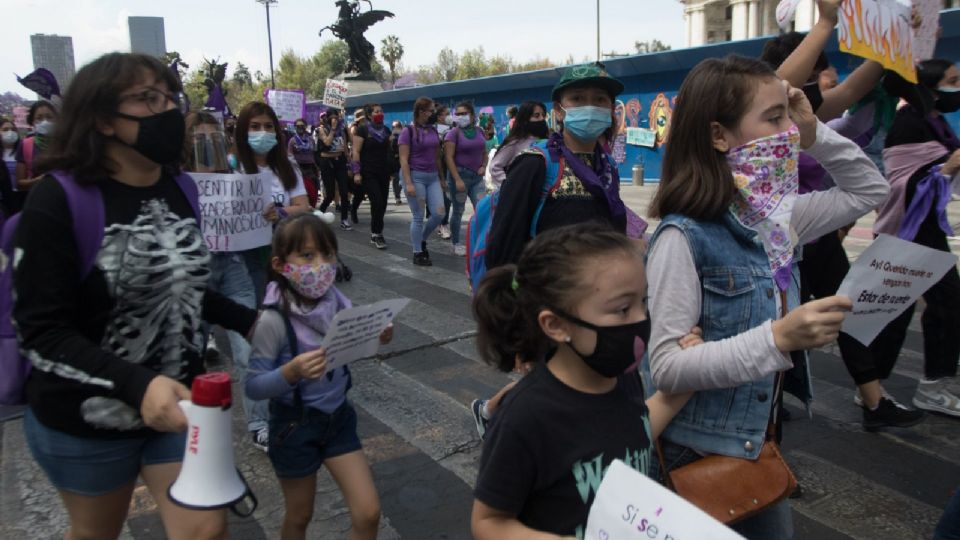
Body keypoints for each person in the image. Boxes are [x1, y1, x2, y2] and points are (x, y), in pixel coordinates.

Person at [13, 52, 259, 540]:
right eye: (148, 99)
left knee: (204, 530)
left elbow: (182, 285)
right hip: (88, 418)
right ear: (102, 118)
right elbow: (41, 332)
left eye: (171, 97)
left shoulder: (181, 187)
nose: (168, 110)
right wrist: (137, 385)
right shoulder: (57, 200)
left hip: (179, 406)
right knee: (95, 533)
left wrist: (250, 320)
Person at [645, 55, 888, 539]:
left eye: (788, 116)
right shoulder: (682, 237)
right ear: (719, 136)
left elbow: (870, 189)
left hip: (759, 443)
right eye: (774, 118)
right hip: (696, 455)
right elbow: (667, 368)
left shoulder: (780, 221)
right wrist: (777, 338)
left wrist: (814, 128)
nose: (788, 132)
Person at [470, 223, 698, 539]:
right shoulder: (525, 417)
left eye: (643, 302)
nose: (641, 319)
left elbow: (637, 430)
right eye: (622, 309)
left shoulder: (624, 378)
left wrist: (687, 377)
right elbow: (488, 522)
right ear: (556, 325)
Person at [761, 2, 924, 430]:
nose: (823, 77)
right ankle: (765, 412)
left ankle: (873, 402)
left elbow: (852, 91)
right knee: (774, 326)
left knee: (843, 312)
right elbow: (773, 87)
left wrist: (895, 40)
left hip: (815, 234)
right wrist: (826, 22)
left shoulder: (809, 111)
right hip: (773, 241)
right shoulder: (763, 116)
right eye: (815, 67)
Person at [245, 213, 390, 540]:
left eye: (327, 255)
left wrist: (377, 335)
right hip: (293, 427)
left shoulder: (337, 301)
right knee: (299, 516)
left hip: (338, 420)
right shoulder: (273, 320)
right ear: (282, 264)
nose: (320, 265)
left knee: (368, 513)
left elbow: (355, 346)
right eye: (307, 256)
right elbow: (254, 386)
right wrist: (290, 372)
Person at [871, 58, 960, 418]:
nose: (958, 87)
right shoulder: (908, 123)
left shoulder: (934, 121)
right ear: (930, 86)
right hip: (907, 231)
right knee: (895, 312)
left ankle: (917, 385)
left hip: (926, 230)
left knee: (936, 308)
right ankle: (882, 389)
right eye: (953, 80)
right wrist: (948, 167)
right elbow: (902, 184)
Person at [485, 63, 631, 270]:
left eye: (600, 99)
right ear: (558, 110)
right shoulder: (535, 163)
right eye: (577, 99)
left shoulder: (607, 166)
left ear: (610, 109)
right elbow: (502, 251)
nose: (589, 107)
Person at [182, 110, 269, 451]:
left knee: (251, 346)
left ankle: (260, 422)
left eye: (212, 138)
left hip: (232, 269)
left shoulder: (234, 176)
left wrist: (265, 215)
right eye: (199, 139)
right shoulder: (176, 181)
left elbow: (249, 219)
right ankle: (191, 427)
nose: (207, 144)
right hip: (193, 277)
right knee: (190, 352)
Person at [235, 101, 311, 305]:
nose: (263, 132)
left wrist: (280, 213)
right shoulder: (232, 168)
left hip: (283, 253)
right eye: (255, 126)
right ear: (243, 130)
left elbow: (303, 206)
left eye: (268, 126)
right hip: (245, 258)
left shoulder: (288, 167)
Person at [398, 97, 445, 266]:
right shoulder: (407, 132)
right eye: (431, 111)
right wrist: (408, 183)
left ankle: (422, 239)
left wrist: (441, 178)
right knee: (418, 216)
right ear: (421, 112)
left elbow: (437, 156)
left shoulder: (433, 130)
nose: (434, 114)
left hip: (432, 177)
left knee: (439, 213)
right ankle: (417, 252)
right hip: (415, 176)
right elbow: (403, 160)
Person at [444, 101, 489, 256]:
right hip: (460, 176)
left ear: (472, 115)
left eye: (464, 113)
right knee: (458, 211)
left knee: (482, 209)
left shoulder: (479, 131)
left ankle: (481, 241)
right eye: (458, 114)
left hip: (477, 178)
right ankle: (456, 243)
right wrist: (457, 179)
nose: (461, 116)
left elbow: (484, 152)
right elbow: (448, 158)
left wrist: (484, 165)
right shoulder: (453, 134)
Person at [351, 103, 392, 250]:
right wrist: (356, 172)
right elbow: (355, 151)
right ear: (369, 115)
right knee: (377, 201)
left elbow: (388, 151)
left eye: (381, 111)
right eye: (376, 112)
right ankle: (377, 234)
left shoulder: (386, 130)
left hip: (384, 171)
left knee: (383, 204)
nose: (379, 113)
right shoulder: (362, 130)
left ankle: (376, 230)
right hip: (368, 172)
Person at [488, 101, 549, 189]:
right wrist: (511, 188)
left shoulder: (546, 140)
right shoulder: (516, 142)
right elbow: (495, 167)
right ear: (525, 119)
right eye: (536, 115)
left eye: (543, 115)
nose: (541, 119)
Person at [316, 109, 355, 230]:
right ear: (327, 118)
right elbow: (327, 143)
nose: (334, 119)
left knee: (344, 192)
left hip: (340, 162)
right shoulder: (321, 129)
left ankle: (344, 219)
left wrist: (349, 162)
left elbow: (347, 145)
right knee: (330, 194)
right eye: (332, 117)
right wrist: (332, 129)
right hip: (327, 162)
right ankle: (318, 216)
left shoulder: (342, 129)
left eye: (336, 117)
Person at [15, 99, 58, 191]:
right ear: (32, 122)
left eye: (49, 117)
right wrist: (36, 181)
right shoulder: (25, 145)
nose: (45, 121)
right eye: (39, 118)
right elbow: (19, 183)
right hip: (35, 198)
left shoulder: (66, 144)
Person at [288, 118, 319, 208]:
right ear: (295, 127)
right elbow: (289, 156)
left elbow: (314, 154)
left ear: (305, 127)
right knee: (304, 193)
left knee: (313, 194)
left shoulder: (311, 140)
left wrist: (317, 167)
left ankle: (312, 212)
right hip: (298, 169)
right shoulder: (292, 141)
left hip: (311, 169)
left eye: (302, 126)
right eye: (298, 126)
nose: (300, 128)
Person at [434, 104, 453, 240]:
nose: (449, 116)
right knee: (441, 198)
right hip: (436, 167)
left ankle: (442, 222)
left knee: (448, 197)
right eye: (446, 114)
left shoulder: (453, 129)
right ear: (439, 116)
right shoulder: (433, 130)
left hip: (451, 166)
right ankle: (442, 223)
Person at [1, 118, 22, 215]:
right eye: (5, 130)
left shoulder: (23, 152)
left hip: (20, 196)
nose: (10, 132)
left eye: (13, 129)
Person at [389, 120, 404, 205]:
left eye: (397, 126)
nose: (395, 128)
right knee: (396, 179)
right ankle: (397, 197)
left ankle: (399, 194)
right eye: (393, 127)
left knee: (402, 180)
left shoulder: (404, 136)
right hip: (394, 162)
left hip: (403, 160)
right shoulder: (391, 137)